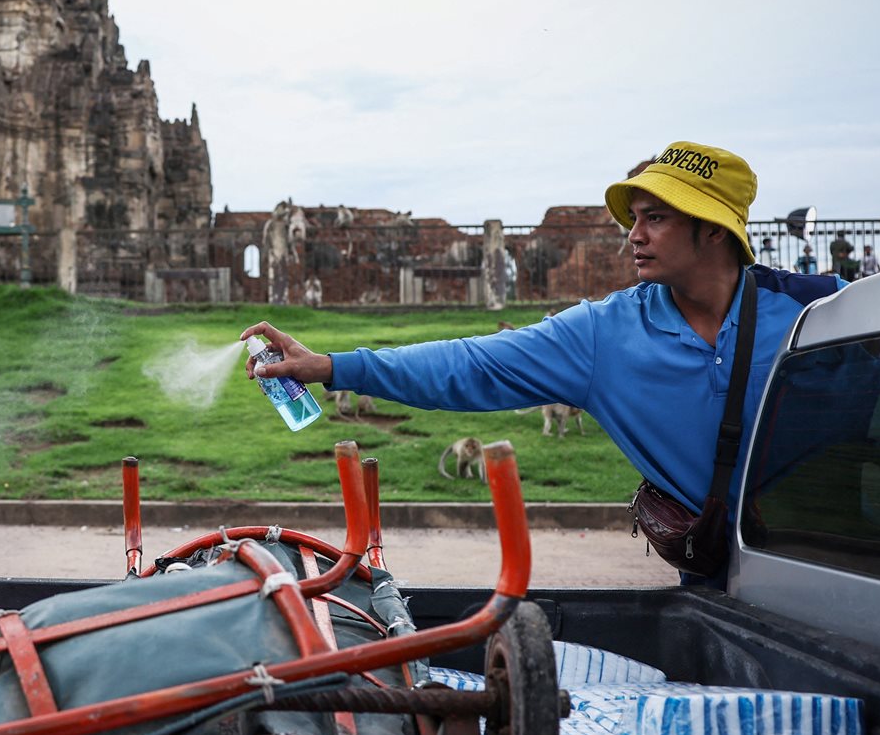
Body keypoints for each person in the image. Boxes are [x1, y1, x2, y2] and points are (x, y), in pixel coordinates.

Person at [241, 141, 843, 587]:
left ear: (714, 231)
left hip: (842, 564)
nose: (633, 235)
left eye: (655, 218)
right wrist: (330, 366)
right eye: (633, 218)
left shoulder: (818, 314)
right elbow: (472, 365)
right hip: (716, 584)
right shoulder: (606, 335)